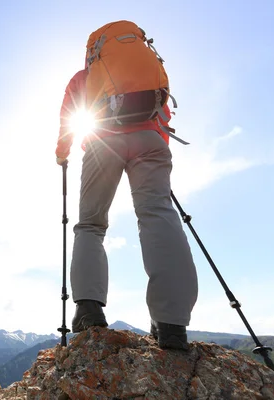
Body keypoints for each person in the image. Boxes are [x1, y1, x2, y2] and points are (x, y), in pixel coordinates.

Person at [55, 65, 199, 351]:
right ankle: (171, 323)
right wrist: (153, 150)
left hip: (102, 140)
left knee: (91, 225)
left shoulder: (87, 76)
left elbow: (68, 115)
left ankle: (89, 309)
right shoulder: (148, 69)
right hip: (150, 140)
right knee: (157, 215)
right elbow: (162, 113)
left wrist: (62, 153)